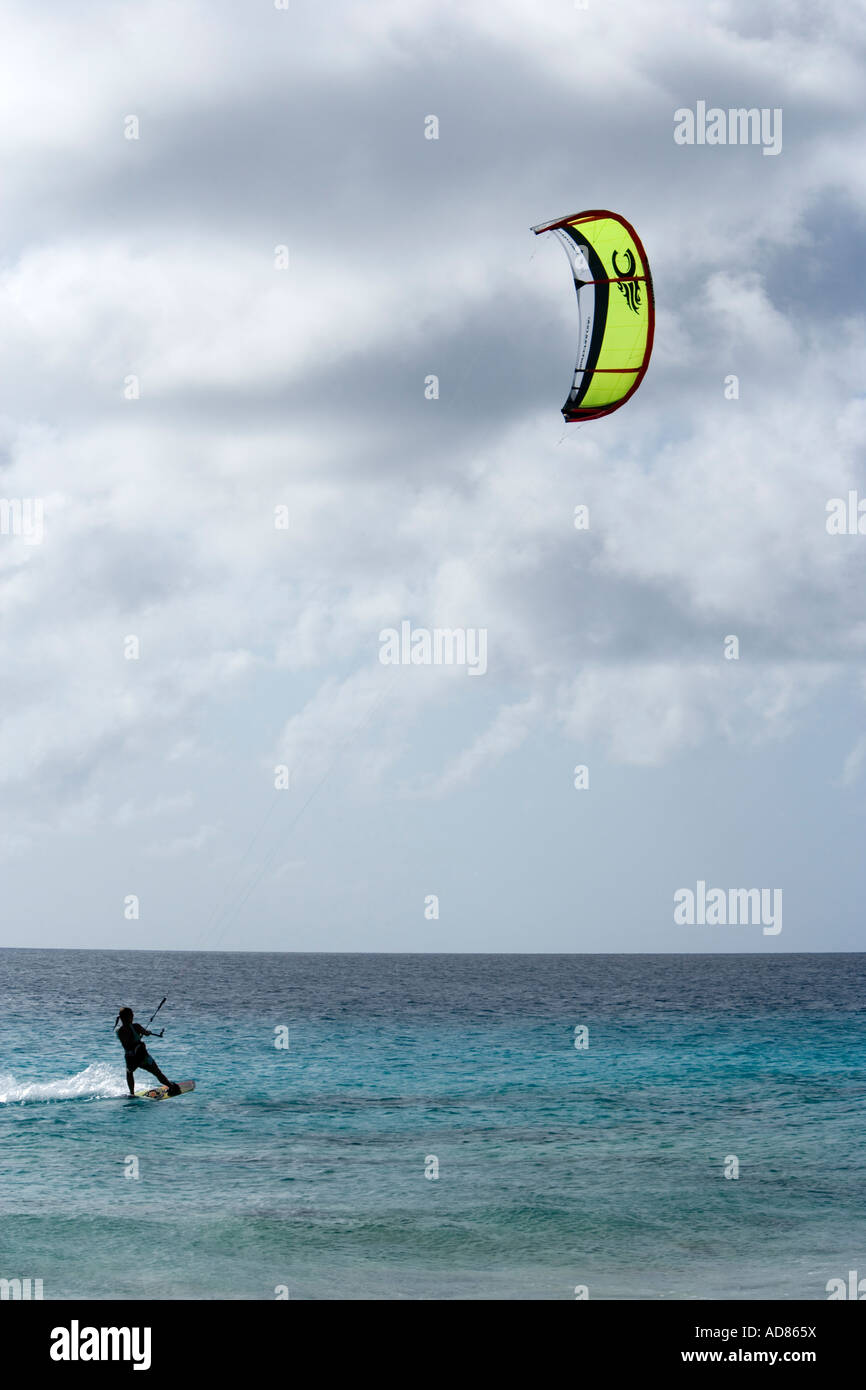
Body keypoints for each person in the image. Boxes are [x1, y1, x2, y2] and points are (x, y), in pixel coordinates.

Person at [115, 1006, 179, 1097]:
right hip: (141, 1056)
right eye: (132, 1015)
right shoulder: (136, 1026)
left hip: (130, 1058)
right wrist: (147, 1032)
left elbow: (128, 1042)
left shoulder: (118, 1030)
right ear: (129, 1017)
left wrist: (137, 1036)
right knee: (157, 1072)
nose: (133, 1016)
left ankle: (132, 1093)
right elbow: (145, 1033)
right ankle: (171, 1086)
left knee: (129, 1073)